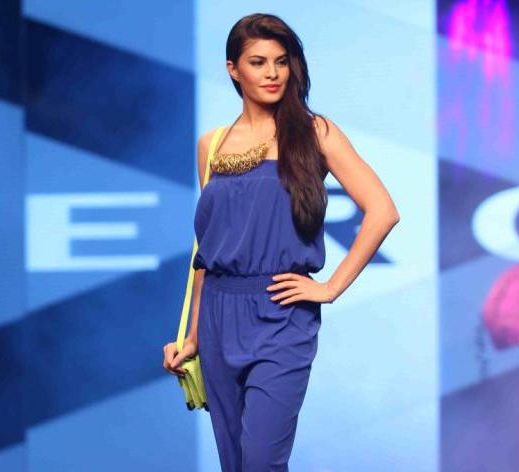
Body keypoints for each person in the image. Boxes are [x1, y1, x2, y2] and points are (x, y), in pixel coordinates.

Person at [163, 12, 400, 472]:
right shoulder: (211, 145)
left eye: (281, 61)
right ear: (233, 69)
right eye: (258, 62)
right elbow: (207, 250)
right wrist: (191, 335)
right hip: (217, 319)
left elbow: (383, 210)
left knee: (261, 461)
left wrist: (329, 288)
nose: (272, 73)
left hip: (281, 314)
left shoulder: (314, 132)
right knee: (236, 462)